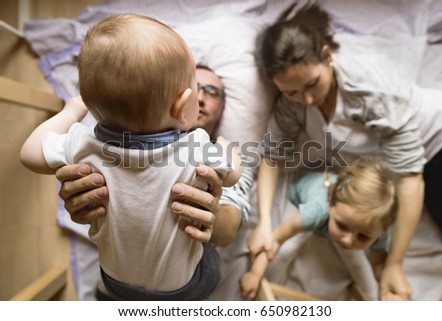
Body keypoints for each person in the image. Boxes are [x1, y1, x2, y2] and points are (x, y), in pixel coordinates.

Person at [20, 13, 243, 300]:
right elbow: (234, 172)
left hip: (115, 281)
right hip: (181, 289)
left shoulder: (80, 142)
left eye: (213, 91)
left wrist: (70, 112)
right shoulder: (198, 147)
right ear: (183, 104)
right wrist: (229, 150)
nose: (201, 98)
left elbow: (29, 154)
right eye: (198, 87)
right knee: (210, 266)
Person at [249, 3, 442, 300]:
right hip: (406, 165)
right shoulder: (291, 104)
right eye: (291, 91)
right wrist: (265, 224)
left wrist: (394, 264)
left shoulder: (368, 89)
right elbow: (272, 155)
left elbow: (410, 178)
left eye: (312, 84)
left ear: (328, 57)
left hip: (441, 143)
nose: (305, 99)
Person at [53, 65, 254, 300]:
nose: (199, 97)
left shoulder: (232, 158)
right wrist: (84, 200)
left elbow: (229, 228)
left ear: (222, 108)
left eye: (211, 91)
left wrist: (209, 214)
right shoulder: (109, 144)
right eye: (193, 88)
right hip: (114, 288)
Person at [240, 158, 399, 300]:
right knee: (287, 250)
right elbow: (275, 240)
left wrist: (387, 291)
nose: (348, 240)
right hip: (299, 199)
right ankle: (264, 288)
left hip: (335, 202)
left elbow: (377, 265)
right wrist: (255, 274)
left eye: (363, 237)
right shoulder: (315, 212)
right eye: (342, 226)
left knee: (359, 265)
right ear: (330, 205)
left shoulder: (379, 231)